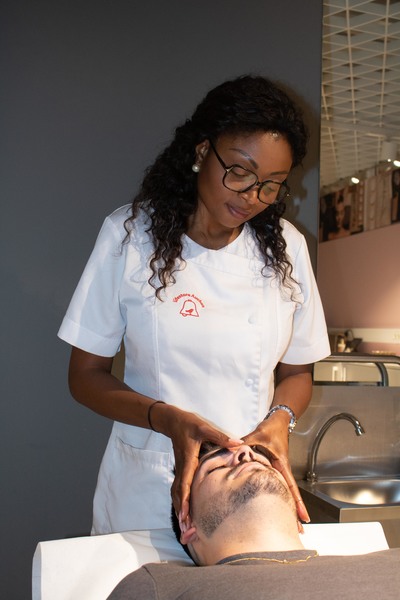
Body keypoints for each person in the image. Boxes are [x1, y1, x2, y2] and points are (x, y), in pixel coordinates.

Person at [57, 74, 330, 535]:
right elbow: (84, 377)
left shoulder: (287, 248)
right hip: (148, 489)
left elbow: (297, 372)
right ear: (202, 151)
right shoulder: (130, 236)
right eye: (240, 172)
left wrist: (279, 420)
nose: (252, 197)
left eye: (271, 185)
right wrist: (165, 418)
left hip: (247, 493)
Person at [107, 443, 400, 600]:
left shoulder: (392, 560)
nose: (246, 453)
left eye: (258, 456)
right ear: (187, 523)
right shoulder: (159, 587)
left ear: (298, 515)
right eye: (216, 467)